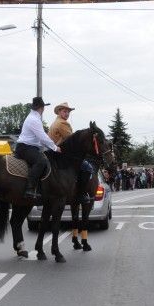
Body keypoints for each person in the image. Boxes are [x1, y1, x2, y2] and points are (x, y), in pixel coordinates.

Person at [47, 100, 95, 250]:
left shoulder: (55, 122)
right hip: (62, 154)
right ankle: (82, 194)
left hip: (55, 152)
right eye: (64, 111)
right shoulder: (63, 124)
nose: (66, 113)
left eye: (68, 111)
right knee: (87, 167)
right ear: (59, 111)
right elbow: (74, 141)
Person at [15, 96, 59, 200]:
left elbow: (41, 138)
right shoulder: (34, 119)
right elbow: (42, 137)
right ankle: (30, 189)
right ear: (42, 108)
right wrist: (55, 148)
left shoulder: (33, 117)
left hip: (28, 147)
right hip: (26, 148)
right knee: (41, 162)